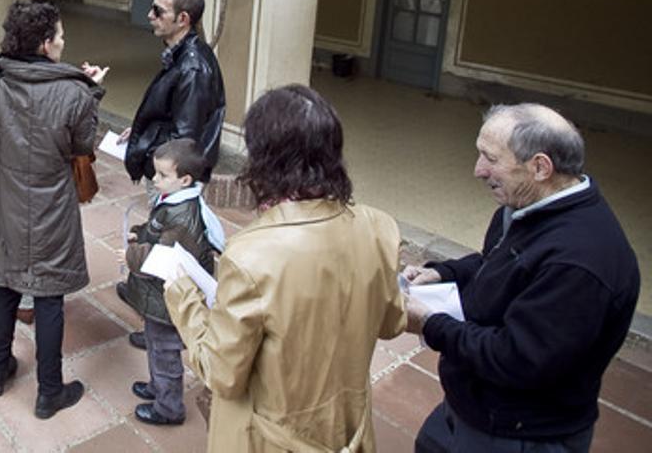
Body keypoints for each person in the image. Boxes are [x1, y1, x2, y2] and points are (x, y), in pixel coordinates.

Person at [164, 85, 405, 451]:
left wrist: (183, 298)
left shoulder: (251, 255)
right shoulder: (379, 227)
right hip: (348, 429)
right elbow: (392, 323)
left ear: (263, 159)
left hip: (273, 439)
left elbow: (223, 373)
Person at [405, 103, 639, 453]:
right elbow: (497, 262)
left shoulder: (579, 263)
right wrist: (442, 272)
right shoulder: (525, 211)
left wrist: (429, 323)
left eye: (491, 158)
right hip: (474, 407)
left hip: (520, 434)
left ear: (541, 167)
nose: (478, 170)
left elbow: (516, 358)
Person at [0, 0, 107, 420]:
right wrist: (92, 90)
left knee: (5, 284)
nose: (64, 42)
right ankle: (49, 391)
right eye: (60, 36)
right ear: (45, 44)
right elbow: (83, 146)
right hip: (53, 204)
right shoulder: (73, 89)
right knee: (48, 294)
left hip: (6, 197)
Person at [121, 139, 224, 426]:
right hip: (160, 295)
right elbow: (157, 231)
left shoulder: (183, 214)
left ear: (185, 179)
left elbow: (168, 256)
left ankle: (169, 407)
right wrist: (139, 234)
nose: (155, 180)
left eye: (162, 175)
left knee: (165, 350)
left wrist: (133, 254)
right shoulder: (176, 200)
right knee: (155, 343)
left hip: (170, 297)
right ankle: (157, 387)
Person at [123, 0, 225, 185]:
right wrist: (142, 132)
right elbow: (171, 114)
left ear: (182, 19)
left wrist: (146, 154)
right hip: (169, 172)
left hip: (173, 176)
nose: (150, 16)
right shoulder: (181, 57)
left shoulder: (192, 69)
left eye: (158, 11)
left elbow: (185, 141)